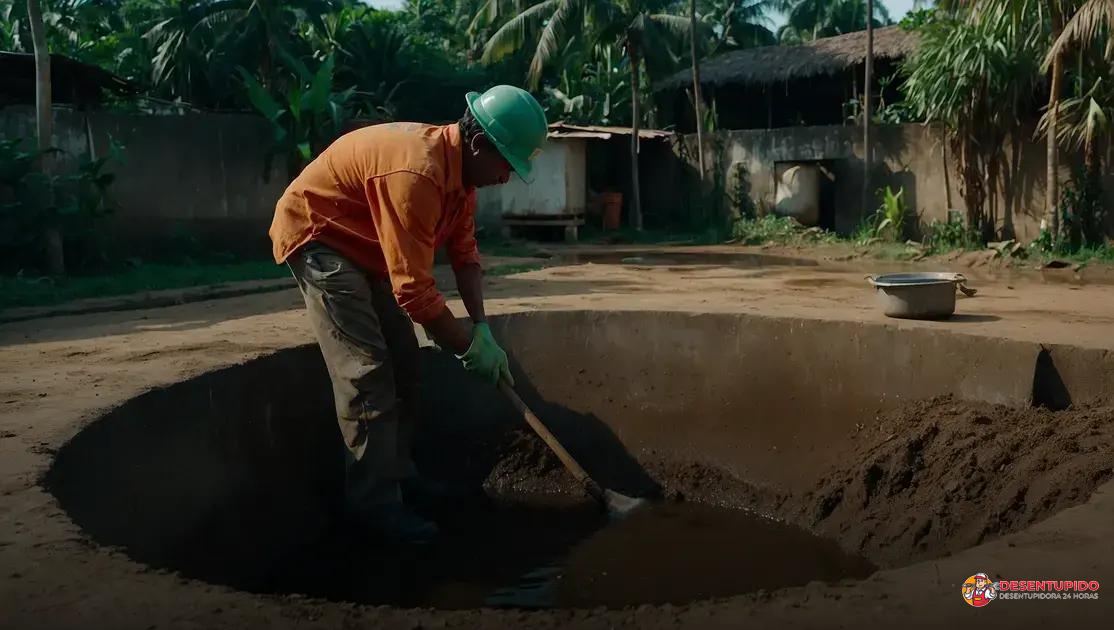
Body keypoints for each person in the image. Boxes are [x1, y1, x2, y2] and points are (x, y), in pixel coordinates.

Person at [268, 85, 548, 543]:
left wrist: (481, 328)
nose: (508, 178)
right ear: (478, 144)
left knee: (405, 360)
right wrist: (466, 348)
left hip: (366, 244)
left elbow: (465, 254)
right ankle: (373, 508)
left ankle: (397, 473)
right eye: (508, 165)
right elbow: (415, 293)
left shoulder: (463, 177)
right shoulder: (419, 172)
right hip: (321, 237)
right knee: (367, 374)